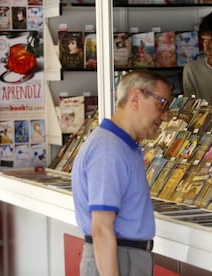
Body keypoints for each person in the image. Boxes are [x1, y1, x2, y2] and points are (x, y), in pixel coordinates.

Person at [72, 69, 172, 276]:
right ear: (135, 98)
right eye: (161, 104)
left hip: (124, 257)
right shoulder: (109, 151)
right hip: (118, 259)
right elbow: (102, 228)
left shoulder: (119, 146)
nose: (165, 116)